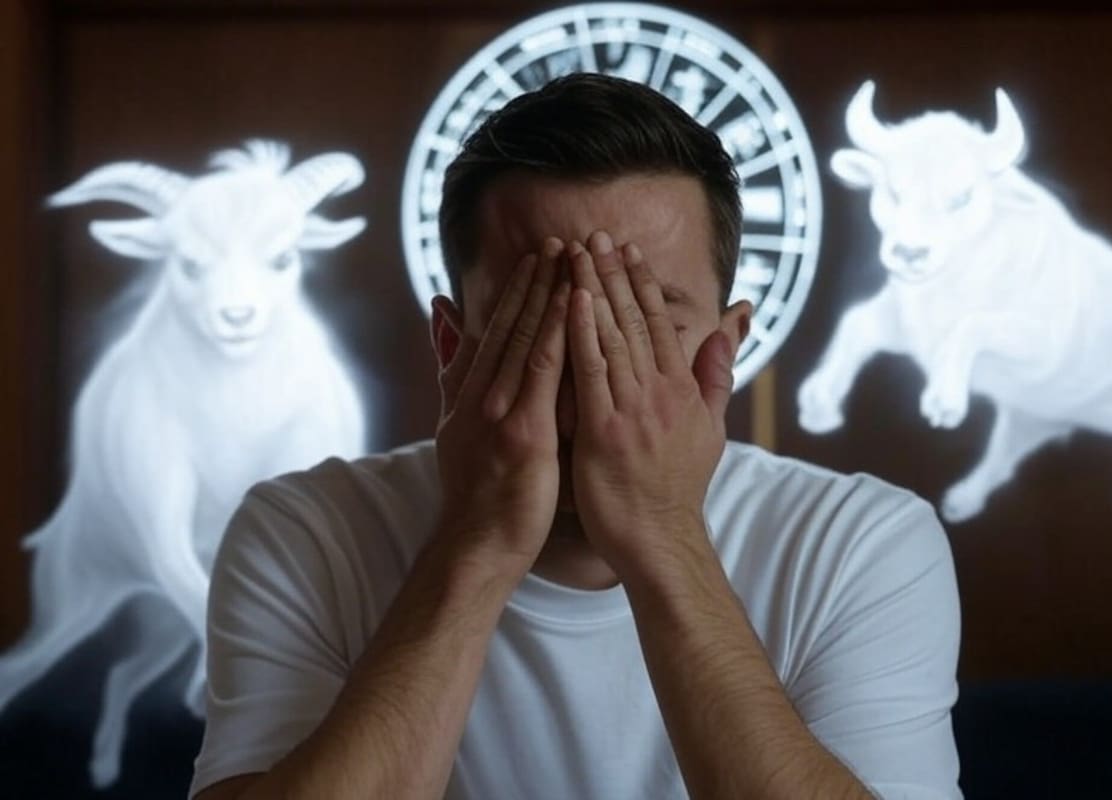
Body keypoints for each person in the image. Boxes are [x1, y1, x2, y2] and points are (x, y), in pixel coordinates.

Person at [190, 73, 962, 800]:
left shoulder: (861, 542)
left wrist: (664, 534)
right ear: (454, 348)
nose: (589, 367)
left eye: (643, 321)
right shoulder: (306, 532)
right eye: (536, 319)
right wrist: (479, 541)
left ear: (723, 351)